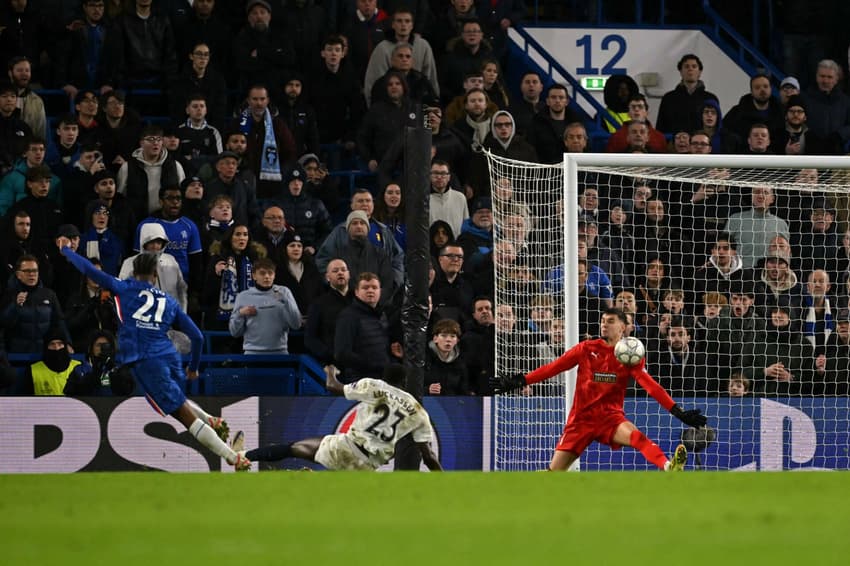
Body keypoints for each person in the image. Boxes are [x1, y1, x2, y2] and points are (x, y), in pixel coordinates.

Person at [59, 246, 250, 469]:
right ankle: (211, 420)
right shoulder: (169, 301)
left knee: (182, 415)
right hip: (169, 356)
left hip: (147, 360)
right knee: (172, 397)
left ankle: (232, 456)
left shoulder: (123, 287)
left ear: (133, 272)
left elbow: (89, 270)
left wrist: (67, 251)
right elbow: (197, 337)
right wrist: (194, 367)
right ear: (155, 275)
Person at [491, 308, 707, 471]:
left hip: (609, 419)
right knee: (553, 473)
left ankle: (670, 467)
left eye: (610, 321)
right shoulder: (587, 348)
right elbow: (554, 367)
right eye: (603, 321)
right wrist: (520, 381)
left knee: (637, 437)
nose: (604, 325)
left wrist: (677, 411)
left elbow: (649, 385)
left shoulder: (629, 356)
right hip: (580, 420)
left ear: (623, 327)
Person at [233, 364, 441, 471]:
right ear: (405, 382)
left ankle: (243, 457)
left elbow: (333, 387)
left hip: (346, 447)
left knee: (292, 448)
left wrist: (330, 371)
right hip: (368, 466)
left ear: (386, 378)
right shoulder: (419, 412)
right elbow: (429, 457)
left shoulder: (376, 386)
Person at [229, 257, 301, 355]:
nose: (267, 276)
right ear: (254, 276)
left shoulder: (284, 292)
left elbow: (296, 324)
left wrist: (286, 301)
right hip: (252, 353)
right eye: (262, 273)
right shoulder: (243, 296)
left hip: (280, 352)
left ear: (274, 275)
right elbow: (234, 333)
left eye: (270, 273)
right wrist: (240, 314)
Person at [655, 54, 718, 135]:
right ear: (681, 71)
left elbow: (716, 127)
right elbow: (660, 127)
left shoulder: (710, 98)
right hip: (675, 144)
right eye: (686, 66)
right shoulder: (669, 98)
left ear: (700, 72)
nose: (690, 69)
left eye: (694, 66)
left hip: (700, 144)